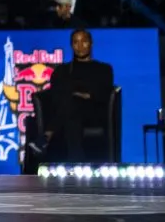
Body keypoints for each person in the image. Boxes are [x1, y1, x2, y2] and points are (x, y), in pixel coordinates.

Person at [39, 28, 114, 160]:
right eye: (76, 42)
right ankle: (76, 161)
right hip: (69, 114)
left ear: (91, 43)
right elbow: (56, 95)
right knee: (72, 114)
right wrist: (80, 95)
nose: (80, 46)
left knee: (71, 104)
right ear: (71, 45)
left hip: (93, 113)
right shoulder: (62, 70)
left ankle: (47, 135)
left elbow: (102, 94)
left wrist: (80, 95)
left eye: (84, 41)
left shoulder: (103, 69)